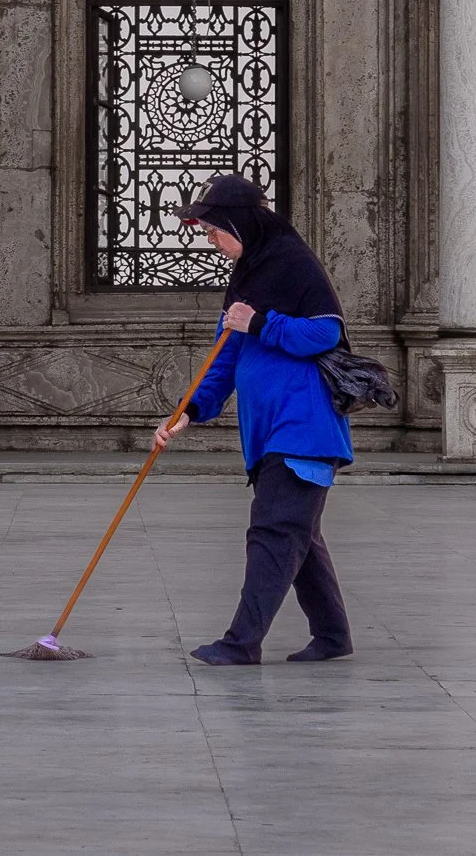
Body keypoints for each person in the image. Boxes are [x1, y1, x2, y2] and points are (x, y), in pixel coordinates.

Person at [152, 173, 354, 666]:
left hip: (303, 430)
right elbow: (223, 359)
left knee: (273, 534)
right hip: (269, 436)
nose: (210, 239)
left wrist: (261, 322)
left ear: (238, 224)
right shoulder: (247, 277)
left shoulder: (293, 265)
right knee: (297, 536)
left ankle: (241, 643)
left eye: (213, 230)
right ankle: (332, 637)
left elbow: (325, 334)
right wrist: (189, 412)